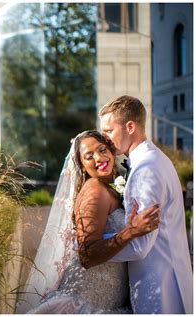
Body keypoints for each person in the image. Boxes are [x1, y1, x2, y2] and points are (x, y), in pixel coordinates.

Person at [15, 130, 160, 314]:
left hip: (110, 303)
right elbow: (87, 255)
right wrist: (131, 231)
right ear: (82, 166)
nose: (99, 158)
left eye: (102, 150)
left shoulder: (110, 187)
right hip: (85, 302)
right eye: (89, 156)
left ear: (111, 151)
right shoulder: (94, 191)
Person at [99, 95, 193, 314]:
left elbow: (139, 247)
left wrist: (91, 245)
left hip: (160, 289)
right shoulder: (155, 159)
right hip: (168, 277)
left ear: (130, 126)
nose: (105, 139)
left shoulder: (146, 170)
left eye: (109, 131)